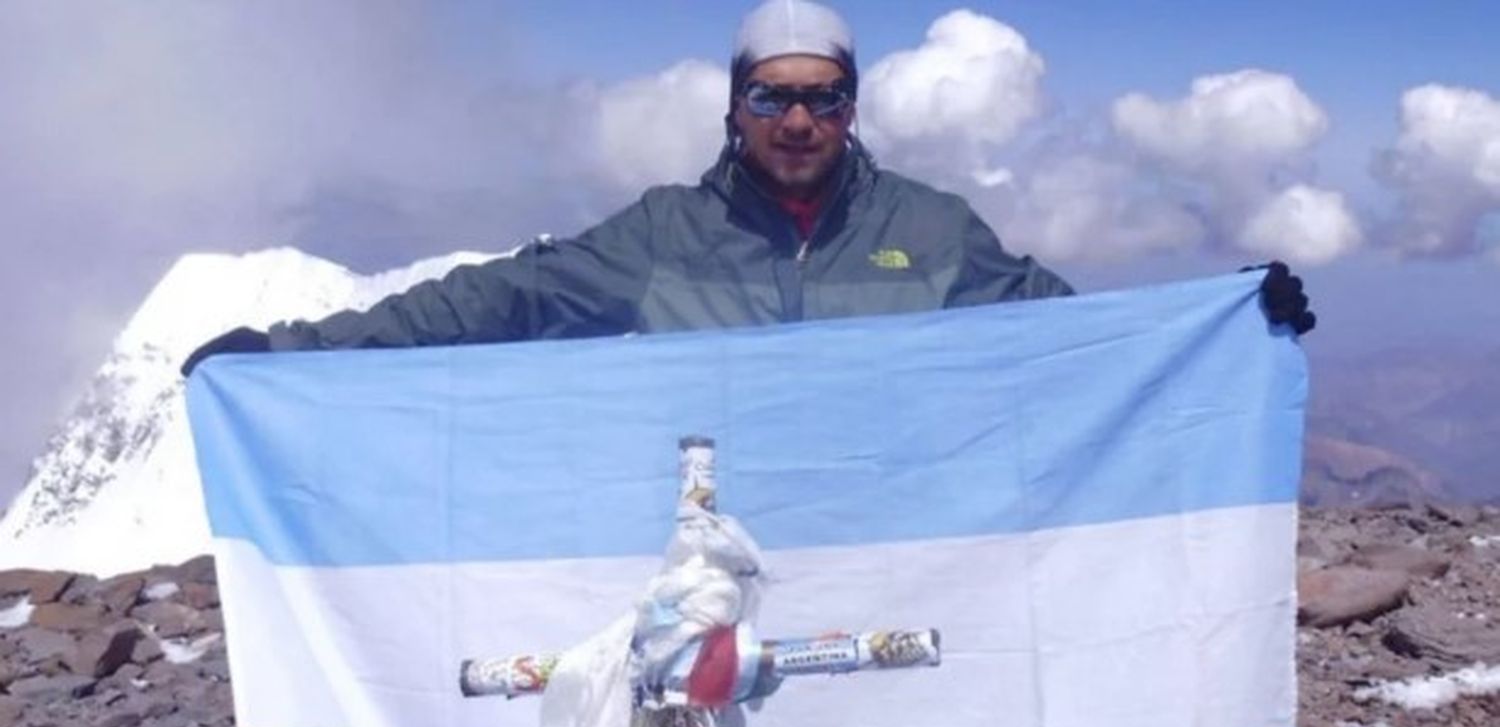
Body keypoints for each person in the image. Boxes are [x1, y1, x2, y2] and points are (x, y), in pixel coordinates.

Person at [183, 0, 1313, 374]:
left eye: (823, 97)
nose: (799, 120)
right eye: (772, 98)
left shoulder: (931, 230)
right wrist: (294, 354)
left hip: (898, 537)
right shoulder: (665, 235)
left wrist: (1222, 319)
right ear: (733, 109)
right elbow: (501, 299)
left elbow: (1071, 336)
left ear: (853, 108)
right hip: (716, 564)